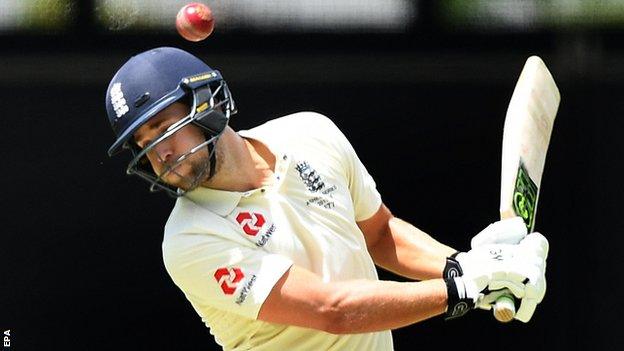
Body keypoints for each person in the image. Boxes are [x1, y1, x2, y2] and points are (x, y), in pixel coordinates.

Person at [105, 47, 549, 350]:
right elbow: (331, 309)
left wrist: (471, 266)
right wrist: (465, 288)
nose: (159, 154)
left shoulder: (310, 132)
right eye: (144, 144)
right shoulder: (188, 241)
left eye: (163, 127)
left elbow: (379, 233)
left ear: (205, 102)